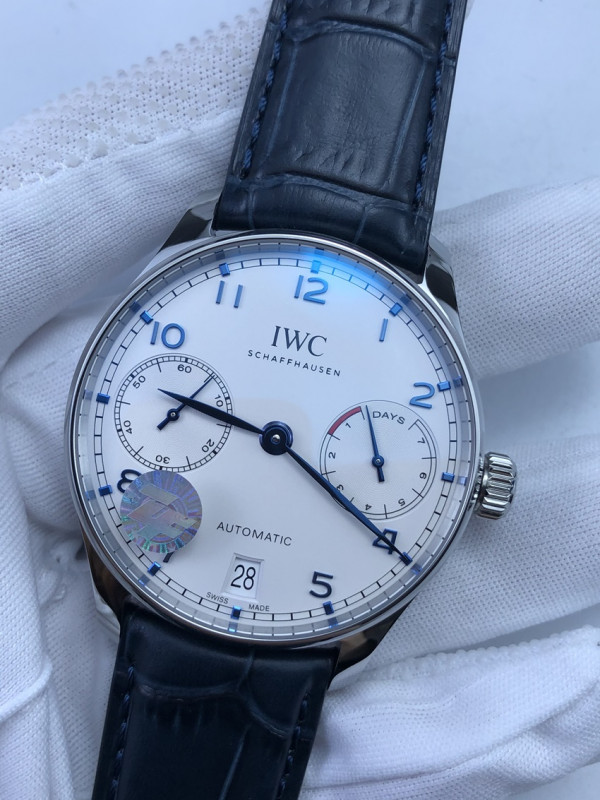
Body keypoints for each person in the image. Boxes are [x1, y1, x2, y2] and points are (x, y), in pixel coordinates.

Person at [0, 6, 599, 799]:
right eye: (271, 433)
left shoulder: (220, 304)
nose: (276, 436)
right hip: (161, 570)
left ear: (478, 483)